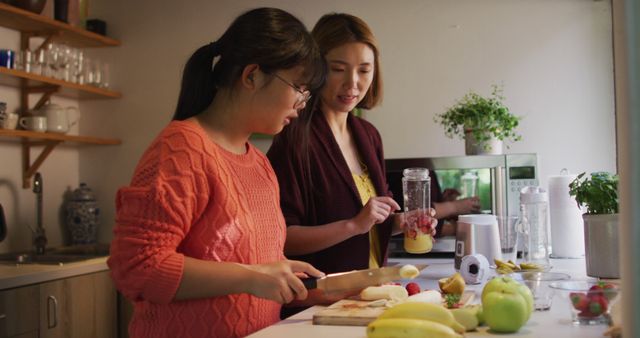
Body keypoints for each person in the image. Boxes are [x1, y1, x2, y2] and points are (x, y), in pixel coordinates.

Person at [107, 8, 327, 338]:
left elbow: (253, 264)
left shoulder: (260, 164)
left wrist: (313, 289)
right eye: (298, 87)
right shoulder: (181, 150)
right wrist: (252, 276)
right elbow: (137, 266)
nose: (302, 103)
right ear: (251, 75)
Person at [267, 12, 437, 294]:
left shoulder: (368, 135)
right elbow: (281, 237)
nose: (352, 83)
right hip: (319, 301)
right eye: (338, 69)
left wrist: (401, 222)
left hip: (372, 292)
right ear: (317, 69)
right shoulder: (293, 139)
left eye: (364, 70)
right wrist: (353, 225)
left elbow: (372, 223)